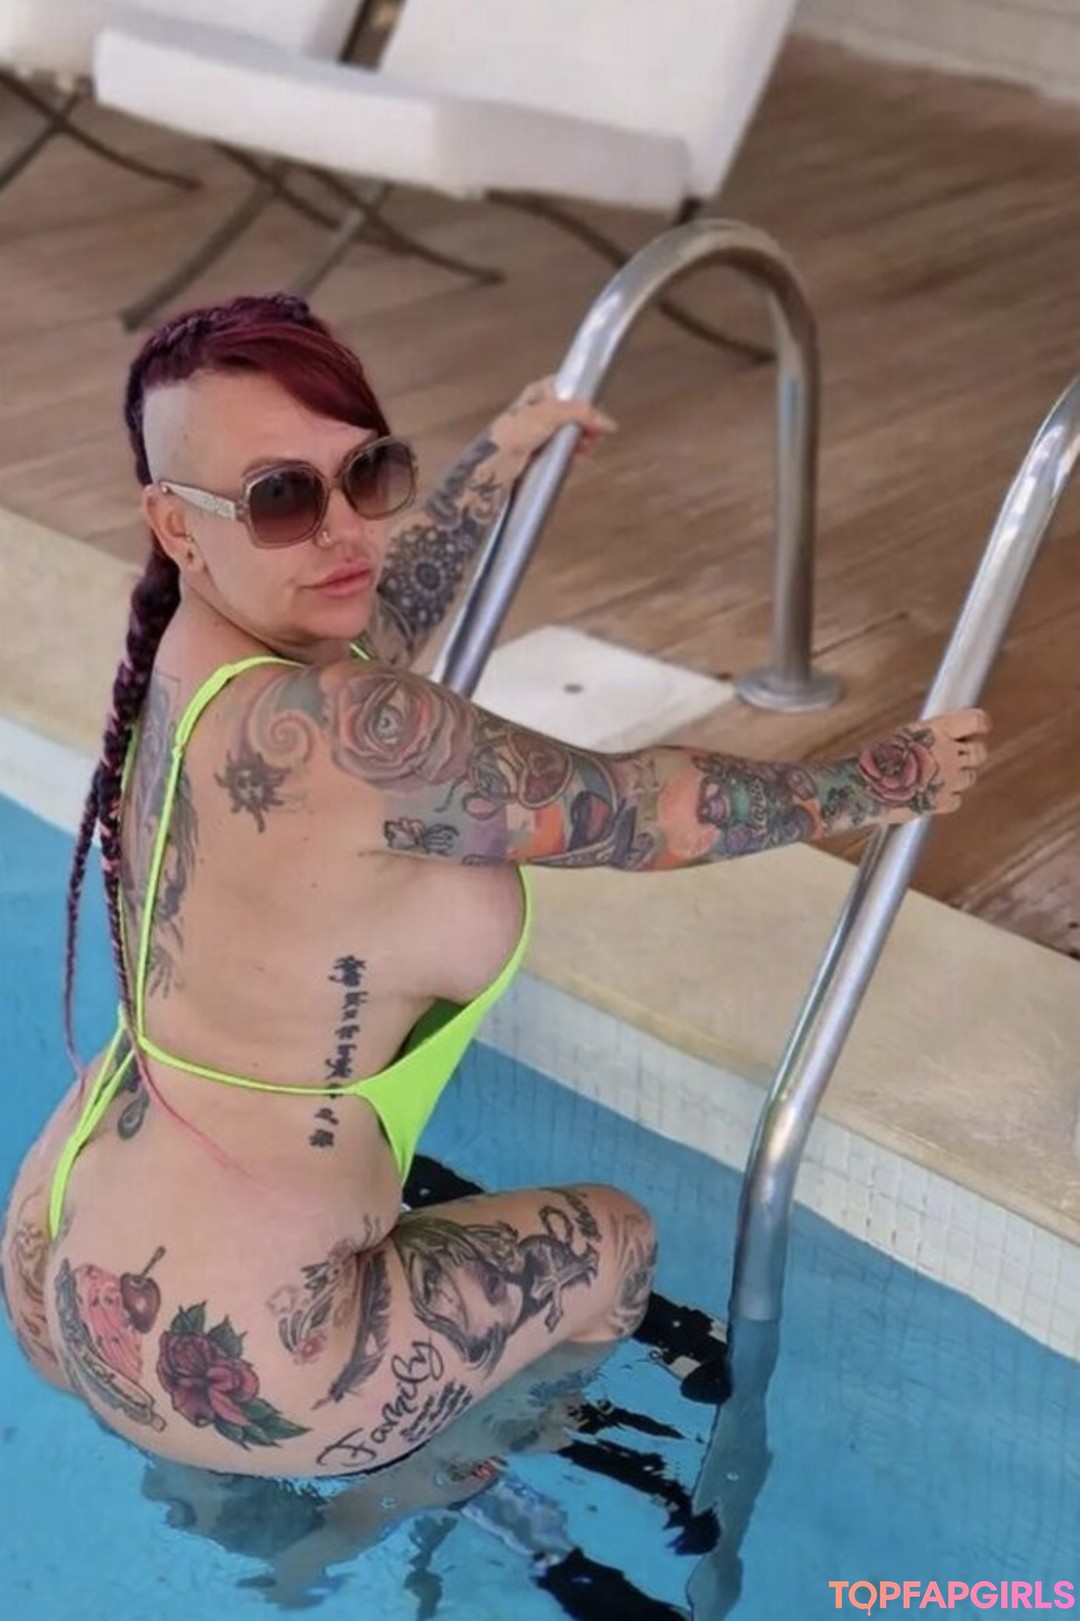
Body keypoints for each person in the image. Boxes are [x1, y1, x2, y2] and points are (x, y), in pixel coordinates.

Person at [0, 293, 988, 1484]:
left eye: (369, 472)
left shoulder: (196, 649)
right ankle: (420, 1489)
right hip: (266, 1362)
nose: (345, 530)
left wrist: (494, 463)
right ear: (177, 523)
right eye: (282, 497)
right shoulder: (346, 733)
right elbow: (644, 810)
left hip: (63, 1250)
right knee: (618, 1245)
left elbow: (369, 616)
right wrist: (879, 779)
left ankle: (247, 1506)